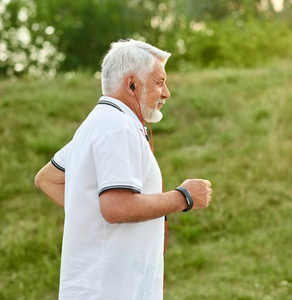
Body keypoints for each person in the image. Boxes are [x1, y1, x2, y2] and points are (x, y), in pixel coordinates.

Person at [34, 39, 212, 300]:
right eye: (159, 82)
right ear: (132, 84)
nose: (166, 93)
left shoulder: (99, 122)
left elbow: (48, 179)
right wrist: (184, 196)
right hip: (111, 289)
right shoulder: (118, 127)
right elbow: (117, 207)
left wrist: (93, 217)